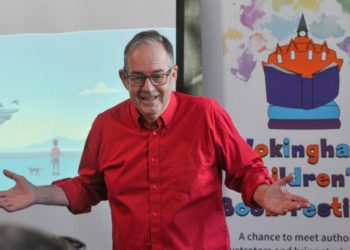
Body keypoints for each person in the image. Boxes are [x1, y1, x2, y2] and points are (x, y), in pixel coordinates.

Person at [0, 30, 309, 250]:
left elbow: (246, 171)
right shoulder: (106, 125)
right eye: (137, 77)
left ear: (173, 75)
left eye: (158, 76)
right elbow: (88, 187)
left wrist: (263, 192)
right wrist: (37, 193)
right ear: (124, 78)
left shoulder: (206, 114)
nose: (148, 88)